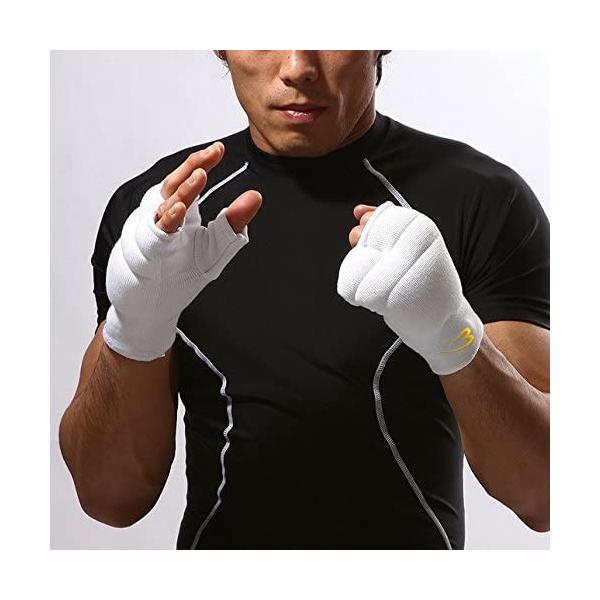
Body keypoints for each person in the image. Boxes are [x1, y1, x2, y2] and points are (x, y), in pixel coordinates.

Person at [59, 51, 550, 550]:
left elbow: (546, 493)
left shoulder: (482, 200)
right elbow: (108, 498)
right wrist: (136, 329)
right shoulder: (163, 216)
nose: (297, 67)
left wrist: (453, 335)